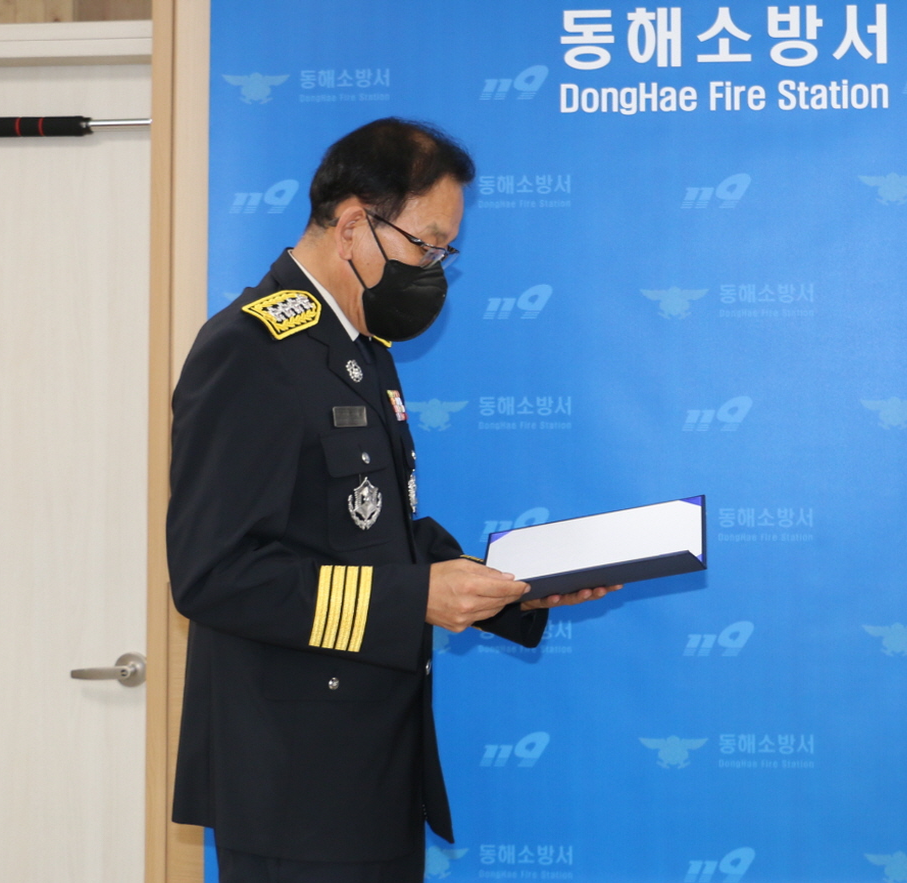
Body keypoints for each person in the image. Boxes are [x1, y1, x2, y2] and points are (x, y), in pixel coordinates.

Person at [166, 118, 617, 882]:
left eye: (444, 252)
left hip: (370, 762)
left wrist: (516, 585)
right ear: (352, 225)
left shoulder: (358, 346)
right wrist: (415, 598)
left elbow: (370, 529)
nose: (434, 268)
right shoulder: (249, 349)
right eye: (426, 245)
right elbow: (213, 574)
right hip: (292, 781)